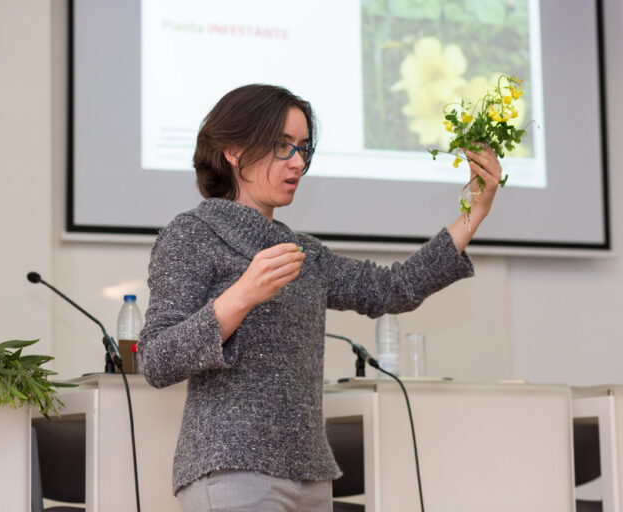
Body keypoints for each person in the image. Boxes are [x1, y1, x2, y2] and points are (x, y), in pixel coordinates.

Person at [138, 84, 502, 511]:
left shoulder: (305, 253)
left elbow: (393, 288)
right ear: (234, 151)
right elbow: (156, 360)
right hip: (230, 470)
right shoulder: (192, 234)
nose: (297, 163)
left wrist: (473, 213)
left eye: (303, 150)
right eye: (282, 147)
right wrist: (242, 295)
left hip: (310, 477)